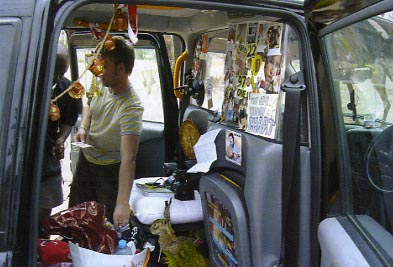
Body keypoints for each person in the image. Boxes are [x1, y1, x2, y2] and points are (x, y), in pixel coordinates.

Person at [69, 36, 144, 230]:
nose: (99, 71)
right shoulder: (102, 86)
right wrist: (84, 127)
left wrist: (122, 204)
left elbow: (129, 159)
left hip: (109, 170)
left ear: (121, 68)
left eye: (105, 66)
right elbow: (88, 105)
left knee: (105, 227)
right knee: (76, 217)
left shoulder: (131, 106)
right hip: (87, 161)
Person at [39, 43, 82, 238]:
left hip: (48, 161)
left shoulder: (67, 88)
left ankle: (42, 241)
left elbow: (69, 119)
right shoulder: (26, 84)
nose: (57, 78)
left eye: (61, 73)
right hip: (22, 159)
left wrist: (61, 139)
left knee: (44, 214)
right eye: (54, 72)